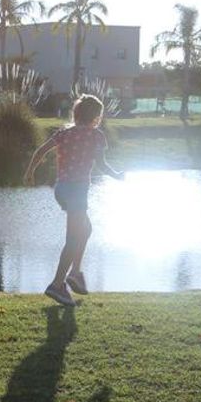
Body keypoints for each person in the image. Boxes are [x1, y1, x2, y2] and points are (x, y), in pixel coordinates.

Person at [23, 94, 123, 306]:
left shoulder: (64, 133)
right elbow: (102, 165)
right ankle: (57, 284)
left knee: (86, 230)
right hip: (77, 191)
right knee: (73, 240)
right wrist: (117, 175)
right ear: (96, 116)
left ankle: (75, 273)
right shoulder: (96, 136)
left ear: (77, 113)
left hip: (61, 189)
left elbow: (41, 151)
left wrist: (30, 172)